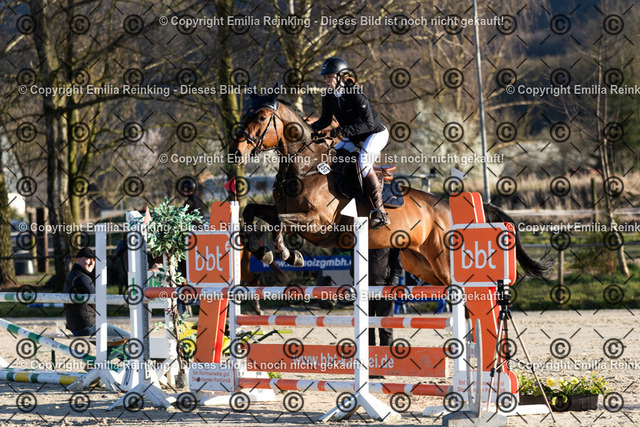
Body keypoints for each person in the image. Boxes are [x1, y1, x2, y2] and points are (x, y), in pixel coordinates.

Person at [311, 57, 390, 229]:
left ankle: (380, 211)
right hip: (354, 137)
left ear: (340, 76)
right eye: (325, 77)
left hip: (375, 134)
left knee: (363, 162)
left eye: (329, 76)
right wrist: (308, 129)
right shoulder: (328, 96)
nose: (326, 80)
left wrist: (343, 131)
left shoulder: (354, 93)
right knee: (332, 156)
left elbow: (369, 125)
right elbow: (325, 120)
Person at [64, 248, 130, 340]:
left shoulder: (73, 274)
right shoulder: (82, 277)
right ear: (78, 260)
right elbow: (97, 303)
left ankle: (112, 349)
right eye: (88, 259)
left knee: (114, 343)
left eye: (93, 260)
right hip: (87, 326)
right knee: (128, 338)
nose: (91, 263)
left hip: (76, 326)